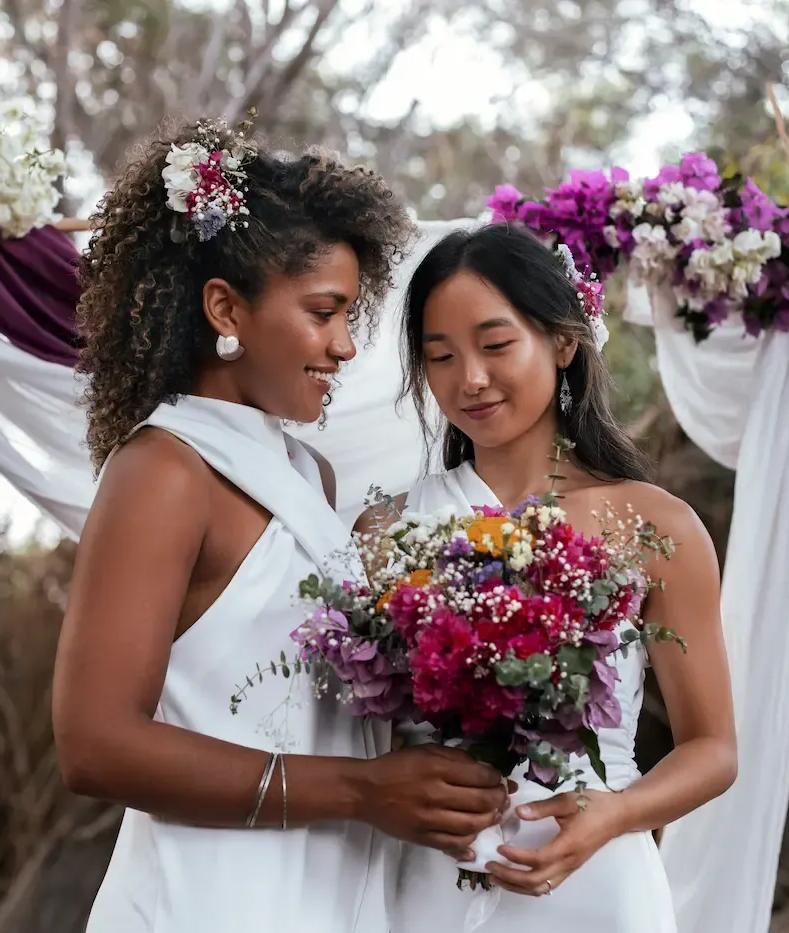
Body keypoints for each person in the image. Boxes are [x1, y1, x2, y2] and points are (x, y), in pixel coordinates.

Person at [53, 118, 508, 933]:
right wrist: (366, 790)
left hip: (329, 885)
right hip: (210, 896)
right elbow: (94, 743)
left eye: (348, 315)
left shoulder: (309, 472)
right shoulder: (164, 470)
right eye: (324, 312)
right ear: (226, 307)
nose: (343, 346)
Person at [361, 223, 737, 932]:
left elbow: (713, 747)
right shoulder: (384, 530)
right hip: (426, 881)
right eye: (440, 356)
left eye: (496, 345)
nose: (470, 378)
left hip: (597, 884)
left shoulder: (656, 524)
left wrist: (615, 812)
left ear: (563, 342)